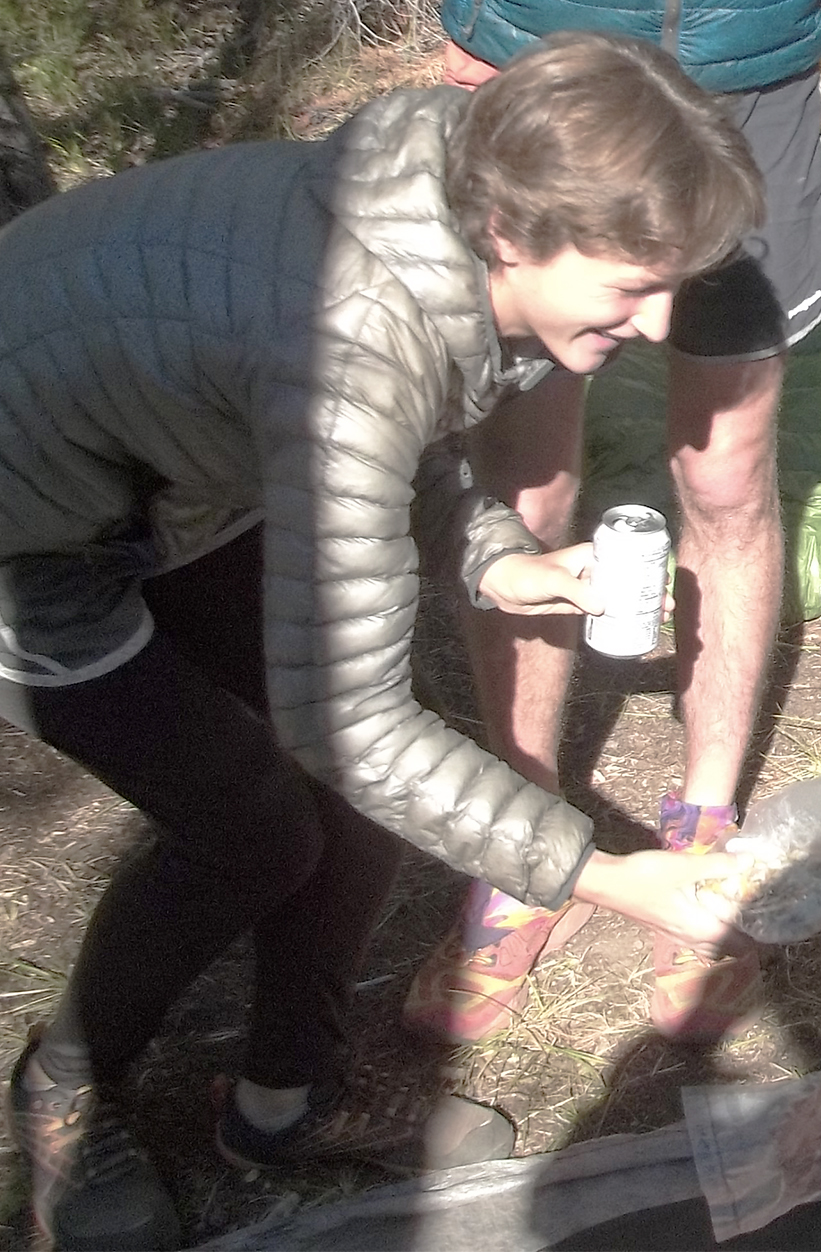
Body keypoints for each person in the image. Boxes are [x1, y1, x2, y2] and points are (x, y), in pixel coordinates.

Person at [0, 32, 755, 1249]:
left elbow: (395, 438)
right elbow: (344, 703)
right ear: (514, 230)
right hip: (30, 523)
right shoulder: (349, 337)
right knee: (252, 824)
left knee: (350, 804)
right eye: (633, 283)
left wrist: (496, 555)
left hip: (172, 472)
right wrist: (605, 876)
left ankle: (284, 1102)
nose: (662, 322)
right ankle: (65, 1089)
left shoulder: (435, 217)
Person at [401, 0, 821, 1046]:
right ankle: (522, 836)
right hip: (544, 54)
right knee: (527, 484)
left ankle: (702, 828)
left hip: (748, 72)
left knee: (725, 474)